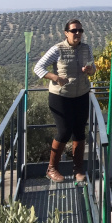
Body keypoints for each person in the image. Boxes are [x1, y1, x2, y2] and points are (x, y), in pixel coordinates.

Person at [33, 19, 96, 182]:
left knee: (80, 131)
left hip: (81, 95)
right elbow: (38, 68)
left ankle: (78, 170)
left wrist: (90, 70)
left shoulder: (86, 48)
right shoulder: (57, 49)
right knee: (64, 131)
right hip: (60, 97)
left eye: (80, 31)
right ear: (66, 33)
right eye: (74, 31)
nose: (78, 33)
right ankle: (51, 169)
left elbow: (93, 70)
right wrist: (55, 77)